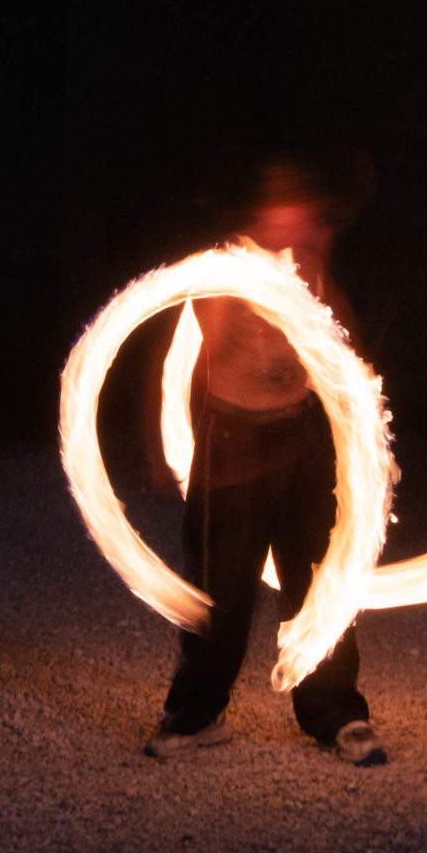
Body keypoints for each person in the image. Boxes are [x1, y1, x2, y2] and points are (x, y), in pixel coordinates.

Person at [144, 147, 386, 765]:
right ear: (258, 219)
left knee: (321, 582)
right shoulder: (226, 273)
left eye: (307, 226)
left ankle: (337, 713)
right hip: (232, 445)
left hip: (302, 441)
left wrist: (363, 425)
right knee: (218, 593)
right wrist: (156, 446)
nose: (296, 239)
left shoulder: (316, 273)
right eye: (284, 224)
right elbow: (178, 350)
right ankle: (196, 715)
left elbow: (347, 351)